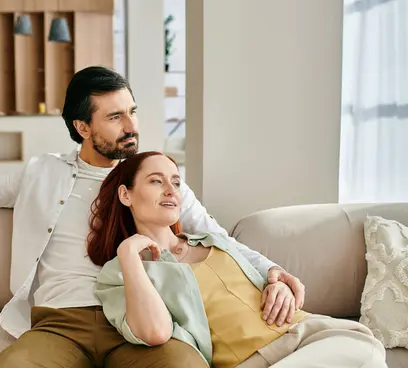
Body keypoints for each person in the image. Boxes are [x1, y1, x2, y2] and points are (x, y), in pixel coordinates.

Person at [0, 66, 306, 367]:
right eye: (114, 117)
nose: (132, 127)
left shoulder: (153, 178)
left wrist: (272, 272)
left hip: (139, 322)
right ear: (83, 127)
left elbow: (216, 235)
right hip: (59, 322)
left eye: (132, 112)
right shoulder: (42, 173)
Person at [89, 151, 388, 368]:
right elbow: (155, 332)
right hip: (252, 360)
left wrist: (276, 280)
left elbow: (267, 272)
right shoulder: (119, 274)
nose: (171, 190)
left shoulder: (213, 241)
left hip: (309, 337)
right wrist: (128, 255)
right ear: (126, 195)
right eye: (156, 181)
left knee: (368, 352)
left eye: (177, 182)